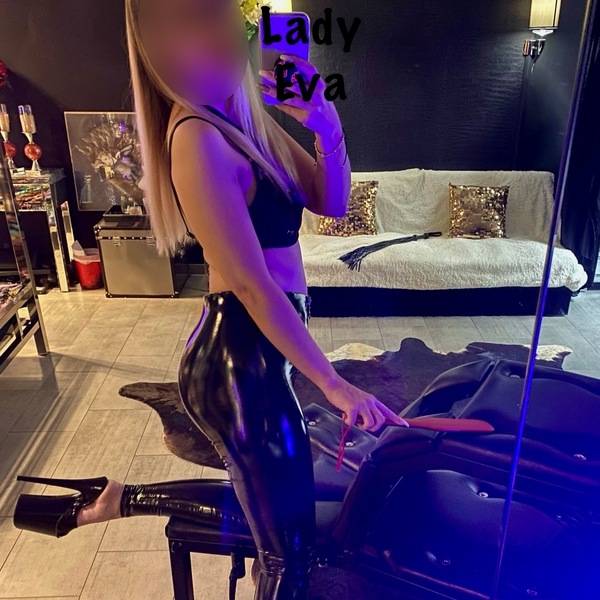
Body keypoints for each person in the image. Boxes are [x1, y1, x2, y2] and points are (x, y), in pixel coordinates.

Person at [12, 1, 407, 598]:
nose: (215, 33)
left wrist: (326, 123)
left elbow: (330, 202)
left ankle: (114, 499)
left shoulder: (238, 118)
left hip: (257, 352)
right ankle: (117, 501)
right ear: (156, 45)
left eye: (219, 13)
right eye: (190, 20)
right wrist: (333, 383)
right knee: (290, 557)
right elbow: (251, 285)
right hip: (236, 362)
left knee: (277, 509)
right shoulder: (196, 136)